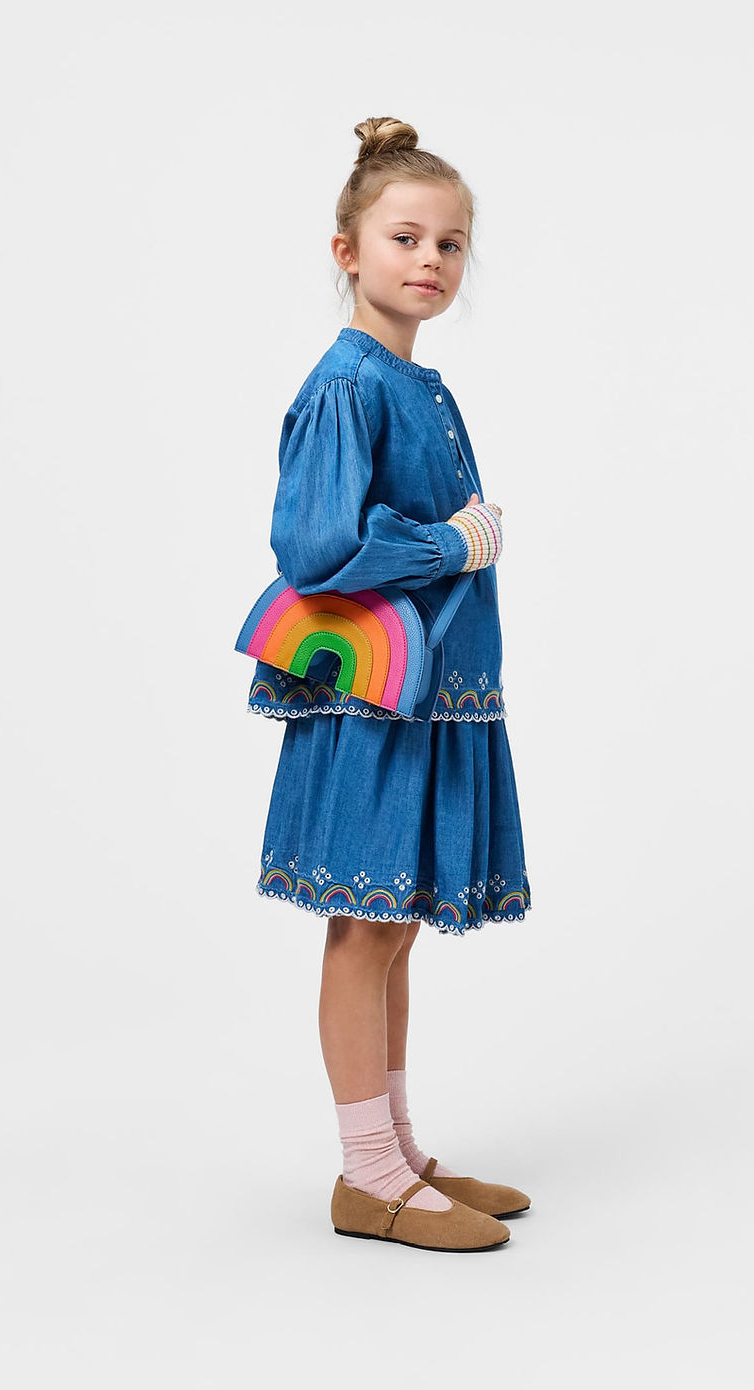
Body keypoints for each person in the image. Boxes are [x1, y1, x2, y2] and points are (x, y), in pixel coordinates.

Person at [244, 116, 532, 1252]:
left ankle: (397, 1152)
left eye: (450, 243)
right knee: (364, 930)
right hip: (370, 704)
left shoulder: (415, 382)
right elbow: (314, 550)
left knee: (394, 926)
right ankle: (365, 1175)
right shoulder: (348, 384)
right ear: (346, 250)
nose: (430, 260)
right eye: (404, 237)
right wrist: (449, 544)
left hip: (423, 699)